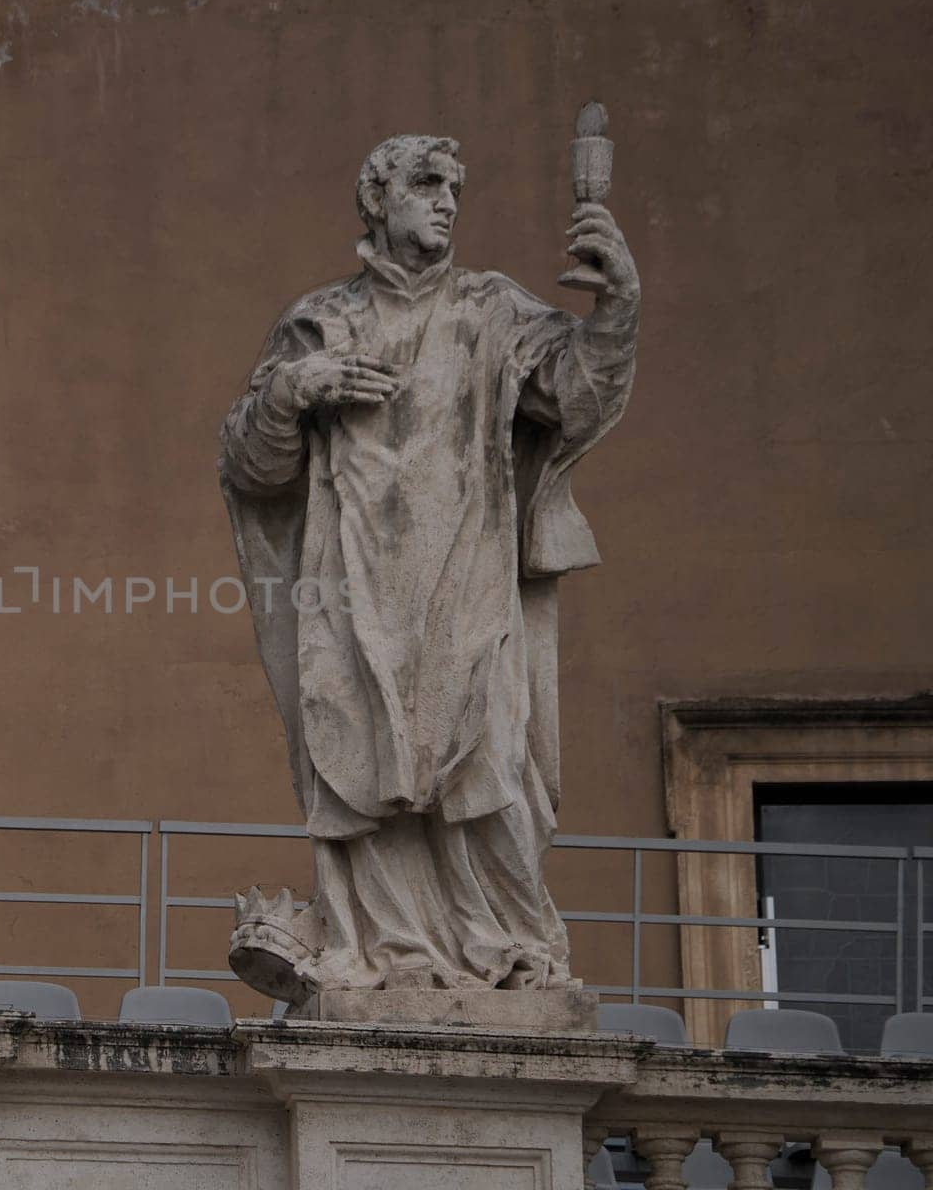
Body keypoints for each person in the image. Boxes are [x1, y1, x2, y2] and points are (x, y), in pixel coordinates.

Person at [220, 134, 639, 996]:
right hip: (353, 589)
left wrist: (616, 312)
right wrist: (294, 392)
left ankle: (505, 947)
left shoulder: (492, 311)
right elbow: (253, 469)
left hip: (468, 580)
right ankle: (389, 951)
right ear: (377, 200)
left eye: (455, 186)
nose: (447, 200)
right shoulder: (321, 322)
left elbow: (577, 398)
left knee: (485, 759)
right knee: (359, 758)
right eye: (425, 183)